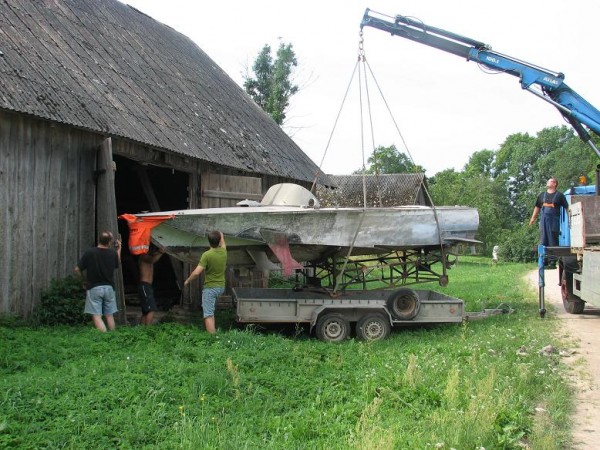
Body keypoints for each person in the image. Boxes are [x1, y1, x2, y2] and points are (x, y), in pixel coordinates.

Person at [75, 231, 121, 332]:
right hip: (109, 288)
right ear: (109, 242)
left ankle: (104, 338)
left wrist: (83, 280)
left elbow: (77, 269)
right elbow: (117, 263)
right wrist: (119, 249)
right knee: (109, 315)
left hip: (94, 288)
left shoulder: (90, 252)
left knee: (96, 316)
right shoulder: (113, 253)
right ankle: (113, 337)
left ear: (99, 239)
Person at [183, 231, 227, 334]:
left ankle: (212, 339)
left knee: (208, 314)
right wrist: (220, 234)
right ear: (220, 240)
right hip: (221, 287)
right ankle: (214, 332)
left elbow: (197, 273)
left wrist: (188, 280)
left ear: (209, 241)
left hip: (211, 288)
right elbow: (223, 242)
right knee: (210, 311)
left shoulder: (206, 255)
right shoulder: (224, 251)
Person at [528, 177, 569, 247]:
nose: (548, 182)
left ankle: (553, 257)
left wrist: (570, 219)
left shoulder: (560, 195)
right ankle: (544, 257)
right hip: (543, 222)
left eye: (550, 181)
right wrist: (532, 219)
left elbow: (567, 208)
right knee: (543, 240)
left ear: (554, 184)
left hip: (553, 223)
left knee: (553, 240)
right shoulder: (541, 195)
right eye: (548, 181)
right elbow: (537, 207)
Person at [138, 244, 165, 325]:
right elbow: (152, 260)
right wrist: (160, 252)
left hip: (148, 286)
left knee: (145, 311)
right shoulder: (143, 256)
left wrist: (158, 252)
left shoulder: (150, 255)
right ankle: (148, 329)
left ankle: (141, 330)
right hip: (144, 285)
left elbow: (153, 256)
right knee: (151, 309)